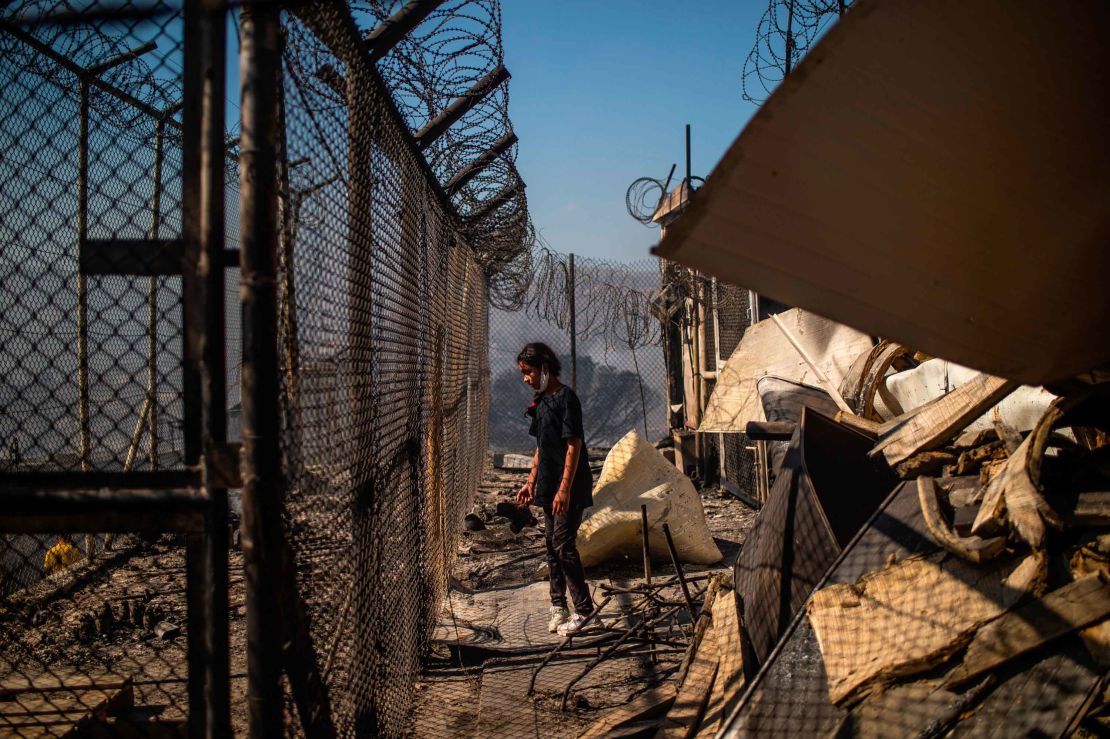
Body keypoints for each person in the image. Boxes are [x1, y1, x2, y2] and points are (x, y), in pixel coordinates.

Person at [514, 342, 596, 636]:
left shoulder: (566, 399)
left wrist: (565, 490)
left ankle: (585, 610)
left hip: (569, 487)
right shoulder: (541, 403)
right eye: (523, 373)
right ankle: (558, 605)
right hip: (548, 486)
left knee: (563, 545)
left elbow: (574, 444)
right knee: (550, 545)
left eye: (529, 372)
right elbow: (540, 449)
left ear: (545, 368)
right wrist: (530, 482)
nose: (526, 378)